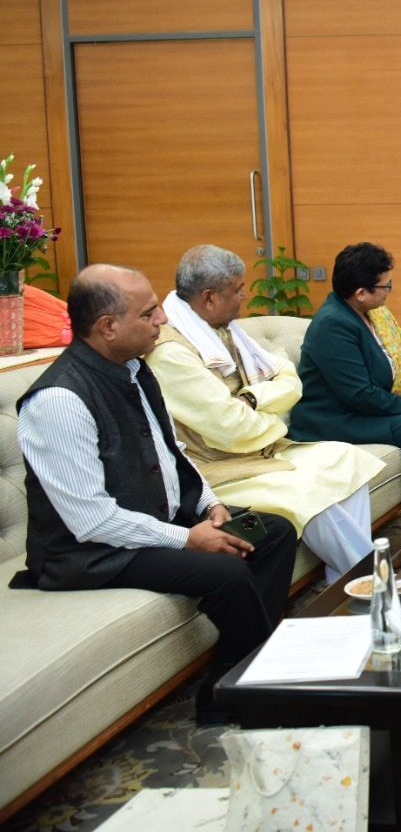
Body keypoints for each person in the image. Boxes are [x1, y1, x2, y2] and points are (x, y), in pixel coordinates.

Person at [10, 264, 297, 723]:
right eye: (148, 313)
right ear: (108, 327)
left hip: (152, 520)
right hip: (90, 552)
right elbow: (92, 521)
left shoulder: (133, 370)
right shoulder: (59, 401)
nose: (163, 318)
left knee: (274, 532)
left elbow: (172, 453)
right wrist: (187, 538)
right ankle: (245, 693)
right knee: (227, 572)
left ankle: (232, 678)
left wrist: (210, 505)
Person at [147, 245, 384, 583]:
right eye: (238, 289)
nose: (245, 296)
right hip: (220, 468)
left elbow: (290, 379)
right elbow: (232, 428)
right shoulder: (171, 353)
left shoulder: (226, 330)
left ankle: (346, 577)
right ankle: (369, 578)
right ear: (210, 298)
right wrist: (273, 417)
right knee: (309, 493)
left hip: (259, 448)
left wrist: (254, 399)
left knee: (348, 461)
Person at [290, 242, 401, 521]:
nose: (389, 293)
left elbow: (395, 359)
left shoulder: (369, 315)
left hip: (358, 408)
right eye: (385, 287)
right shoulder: (333, 325)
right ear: (361, 293)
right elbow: (359, 393)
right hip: (332, 418)